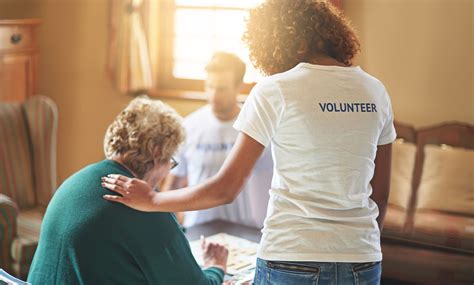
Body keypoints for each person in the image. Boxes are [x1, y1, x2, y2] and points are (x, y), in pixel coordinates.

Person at [102, 1, 396, 284]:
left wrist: (152, 200)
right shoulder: (376, 91)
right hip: (363, 258)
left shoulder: (275, 89)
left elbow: (226, 189)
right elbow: (380, 194)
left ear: (297, 42)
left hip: (291, 256)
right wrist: (360, 244)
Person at [28, 97, 228, 285]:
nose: (168, 171)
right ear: (158, 155)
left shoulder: (75, 181)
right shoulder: (145, 207)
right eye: (171, 162)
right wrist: (216, 267)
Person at [161, 52, 273, 229]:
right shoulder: (188, 127)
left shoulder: (258, 126)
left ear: (238, 87)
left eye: (221, 89)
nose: (214, 95)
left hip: (247, 231)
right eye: (209, 87)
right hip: (198, 229)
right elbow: (172, 185)